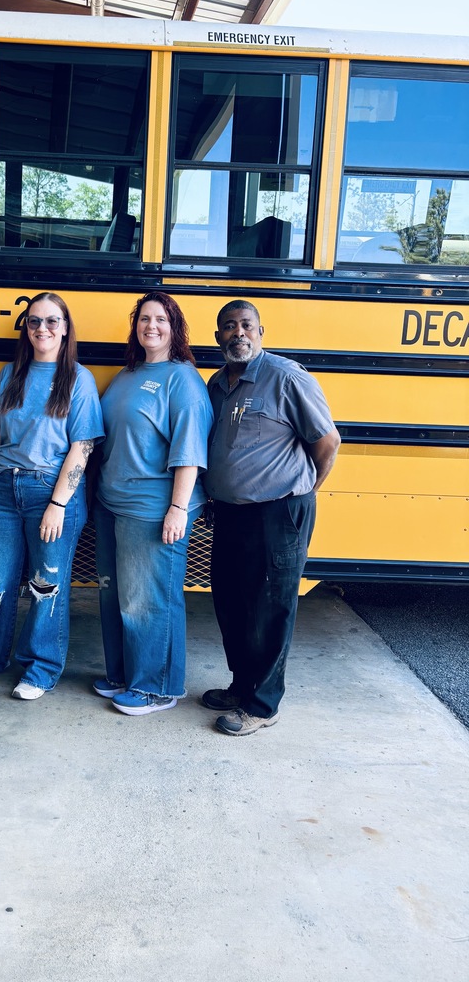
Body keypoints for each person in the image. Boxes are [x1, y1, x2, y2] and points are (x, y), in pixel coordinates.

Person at [0, 292, 103, 700]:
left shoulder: (79, 379)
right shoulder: (10, 375)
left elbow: (82, 447)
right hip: (2, 489)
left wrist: (58, 505)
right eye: (34, 321)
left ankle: (40, 669)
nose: (43, 329)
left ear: (66, 328)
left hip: (51, 493)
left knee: (45, 585)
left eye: (52, 321)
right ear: (26, 327)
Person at [203, 301, 341, 736]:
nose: (237, 333)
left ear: (261, 331)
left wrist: (301, 491)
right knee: (231, 602)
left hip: (279, 510)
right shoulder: (217, 384)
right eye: (229, 327)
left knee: (270, 607)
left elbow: (327, 441)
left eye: (246, 325)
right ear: (218, 337)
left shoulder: (286, 377)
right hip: (229, 513)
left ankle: (262, 706)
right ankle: (242, 685)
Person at [93, 292, 213, 715]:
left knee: (149, 599)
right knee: (116, 596)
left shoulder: (183, 379)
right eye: (144, 318)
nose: (151, 326)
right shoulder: (129, 373)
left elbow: (191, 450)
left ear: (174, 327)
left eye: (161, 319)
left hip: (153, 506)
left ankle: (156, 687)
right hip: (112, 503)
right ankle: (125, 675)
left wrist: (178, 510)